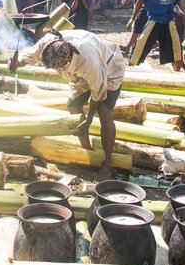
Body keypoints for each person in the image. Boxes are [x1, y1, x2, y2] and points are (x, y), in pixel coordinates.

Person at [10, 29, 125, 180]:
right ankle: (87, 150)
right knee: (73, 106)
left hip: (109, 68)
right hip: (79, 76)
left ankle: (107, 163)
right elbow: (31, 56)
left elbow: (98, 92)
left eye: (58, 67)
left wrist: (89, 120)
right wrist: (16, 64)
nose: (56, 70)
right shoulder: (49, 43)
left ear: (67, 60)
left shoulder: (87, 61)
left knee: (104, 112)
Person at [128, 0, 185, 71]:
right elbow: (140, 0)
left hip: (168, 20)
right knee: (139, 49)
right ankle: (129, 71)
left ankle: (177, 78)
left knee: (176, 53)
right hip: (153, 19)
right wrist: (132, 18)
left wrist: (181, 10)